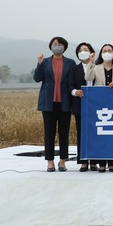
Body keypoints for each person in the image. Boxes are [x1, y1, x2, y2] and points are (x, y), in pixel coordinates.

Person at [33, 37, 74, 172]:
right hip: (48, 103)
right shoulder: (44, 62)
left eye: (60, 44)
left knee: (64, 133)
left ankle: (62, 161)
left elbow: (71, 82)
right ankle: (50, 162)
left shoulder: (70, 63)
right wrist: (39, 64)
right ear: (51, 46)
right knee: (49, 133)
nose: (57, 46)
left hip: (65, 103)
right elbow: (37, 78)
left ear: (64, 47)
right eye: (55, 44)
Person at [85, 43, 113, 172]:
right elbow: (88, 77)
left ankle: (111, 163)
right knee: (101, 134)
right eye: (105, 51)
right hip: (100, 105)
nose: (107, 53)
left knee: (112, 134)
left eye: (110, 50)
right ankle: (102, 163)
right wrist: (90, 62)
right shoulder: (96, 67)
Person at [68, 42, 96, 172]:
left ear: (91, 52)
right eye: (80, 50)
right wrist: (75, 92)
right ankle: (83, 161)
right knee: (82, 133)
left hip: (96, 105)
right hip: (80, 104)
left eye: (85, 49)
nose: (83, 52)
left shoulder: (97, 66)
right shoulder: (74, 68)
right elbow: (70, 85)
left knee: (95, 133)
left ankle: (94, 161)